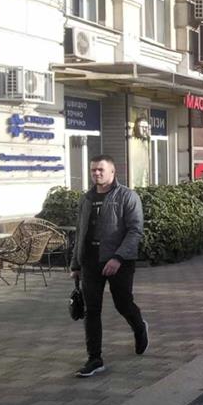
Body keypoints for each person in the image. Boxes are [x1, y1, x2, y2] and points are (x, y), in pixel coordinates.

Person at [69, 155, 148, 378]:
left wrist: (118, 258)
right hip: (90, 261)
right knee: (91, 310)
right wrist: (76, 264)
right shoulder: (86, 199)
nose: (96, 173)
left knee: (123, 303)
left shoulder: (127, 196)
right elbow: (81, 232)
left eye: (101, 170)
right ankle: (94, 359)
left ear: (112, 172)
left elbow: (135, 230)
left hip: (119, 261)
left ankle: (139, 327)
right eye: (93, 170)